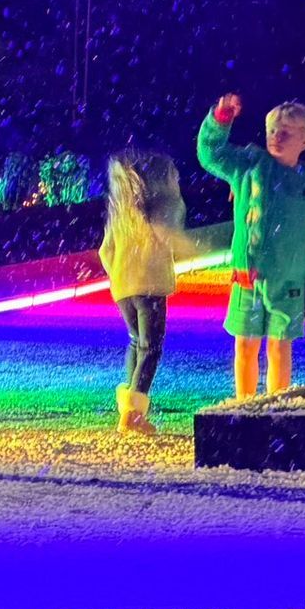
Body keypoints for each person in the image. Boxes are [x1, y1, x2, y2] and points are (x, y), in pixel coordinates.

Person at [197, 93, 305, 398]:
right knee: (245, 344)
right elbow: (211, 153)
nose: (276, 138)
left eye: (286, 133)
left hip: (289, 282)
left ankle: (275, 405)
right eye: (272, 131)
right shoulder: (249, 166)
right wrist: (220, 118)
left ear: (304, 140)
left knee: (279, 346)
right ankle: (244, 404)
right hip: (248, 277)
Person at [98, 149, 193, 436]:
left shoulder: (122, 209)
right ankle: (134, 415)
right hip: (150, 284)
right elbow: (171, 239)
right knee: (151, 348)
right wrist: (194, 247)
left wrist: (119, 275)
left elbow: (105, 250)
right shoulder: (162, 206)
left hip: (123, 286)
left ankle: (128, 410)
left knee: (135, 342)